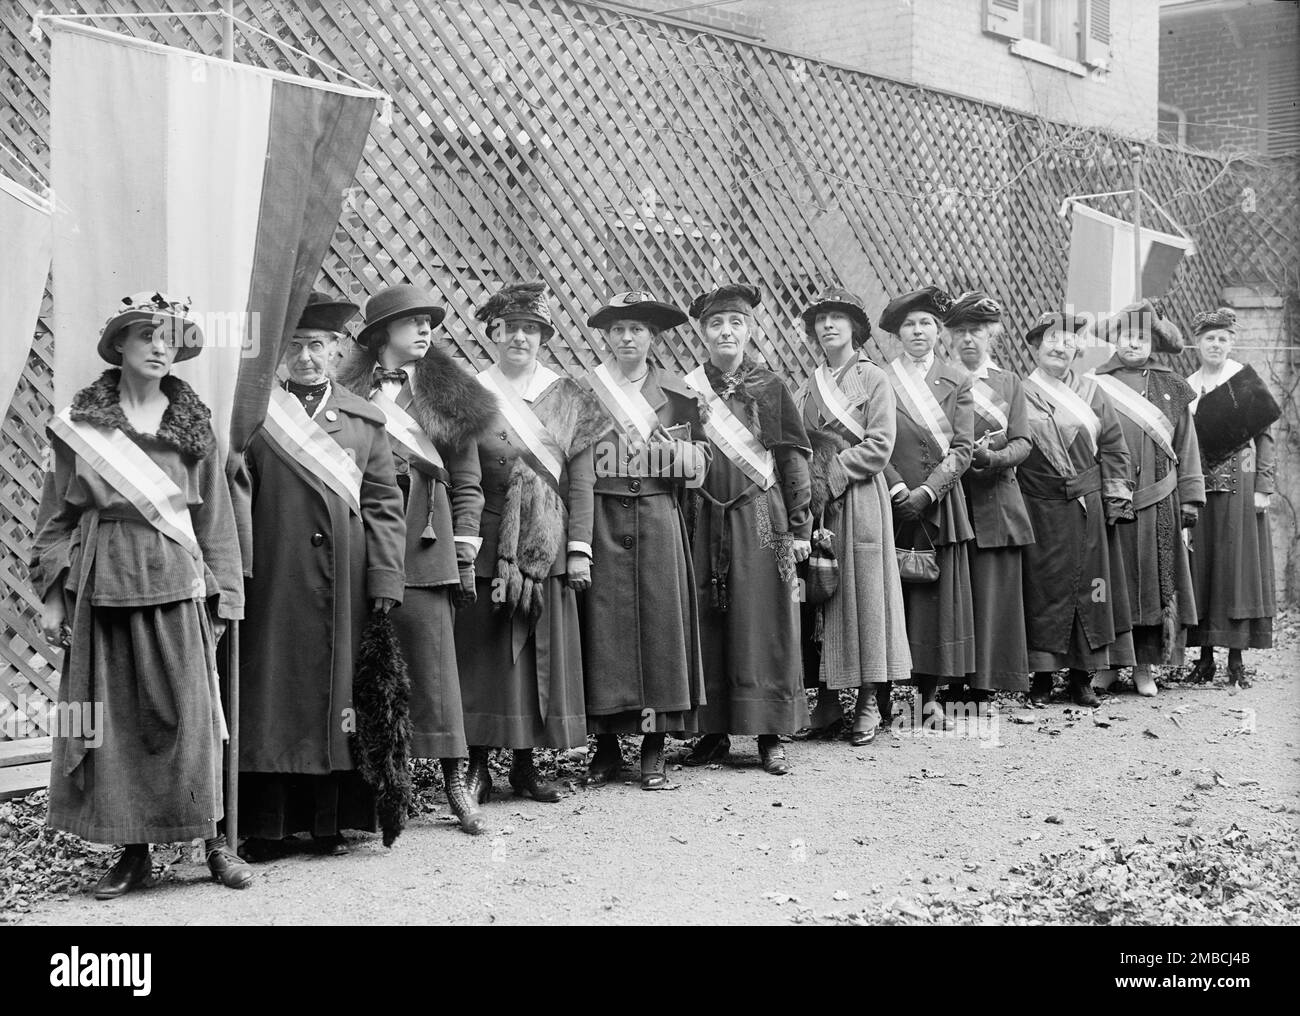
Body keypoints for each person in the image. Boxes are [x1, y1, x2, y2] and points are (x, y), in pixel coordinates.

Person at [31, 292, 250, 898]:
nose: (160, 347)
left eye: (171, 338)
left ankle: (212, 844)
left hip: (177, 586)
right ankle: (133, 854)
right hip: (104, 589)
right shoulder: (80, 429)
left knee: (194, 722)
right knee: (113, 727)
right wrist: (51, 598)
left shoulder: (193, 426)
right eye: (147, 335)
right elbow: (55, 519)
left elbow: (215, 523)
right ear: (119, 347)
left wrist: (223, 594)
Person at [238, 292, 406, 856]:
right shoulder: (256, 417)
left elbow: (385, 503)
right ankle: (268, 827)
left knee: (340, 699)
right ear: (278, 353)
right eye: (295, 346)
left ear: (335, 351)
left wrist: (385, 578)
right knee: (273, 695)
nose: (306, 357)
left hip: (347, 585)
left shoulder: (363, 420)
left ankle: (330, 821)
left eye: (316, 345)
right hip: (274, 582)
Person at [337, 283, 496, 833]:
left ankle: (454, 780)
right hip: (366, 543)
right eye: (413, 322)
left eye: (430, 321)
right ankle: (381, 789)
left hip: (429, 541)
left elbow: (470, 482)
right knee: (371, 667)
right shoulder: (344, 391)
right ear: (383, 334)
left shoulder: (450, 394)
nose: (426, 330)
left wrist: (466, 546)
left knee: (435, 666)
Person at [454, 281, 605, 803]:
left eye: (532, 329)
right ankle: (477, 765)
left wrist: (580, 549)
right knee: (485, 654)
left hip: (549, 540)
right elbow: (460, 475)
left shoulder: (568, 396)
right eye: (511, 327)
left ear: (544, 336)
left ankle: (525, 764)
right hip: (491, 533)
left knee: (538, 653)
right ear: (493, 331)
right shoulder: (471, 391)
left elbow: (581, 482)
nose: (521, 337)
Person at [679, 284, 812, 776]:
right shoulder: (688, 388)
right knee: (709, 615)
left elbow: (793, 458)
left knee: (766, 615)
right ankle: (712, 731)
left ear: (749, 330)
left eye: (735, 323)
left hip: (761, 513)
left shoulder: (770, 385)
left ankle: (769, 732)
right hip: (704, 512)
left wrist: (800, 526)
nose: (726, 332)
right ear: (704, 333)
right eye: (716, 324)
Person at [579, 291, 709, 789]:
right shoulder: (586, 391)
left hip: (658, 515)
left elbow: (702, 462)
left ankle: (654, 749)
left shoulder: (678, 393)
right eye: (618, 330)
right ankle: (607, 749)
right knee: (603, 631)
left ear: (652, 336)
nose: (627, 337)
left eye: (637, 329)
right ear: (606, 337)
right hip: (604, 515)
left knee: (660, 630)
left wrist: (679, 460)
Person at [793, 287, 910, 747]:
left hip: (858, 497)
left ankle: (866, 700)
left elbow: (881, 445)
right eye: (821, 319)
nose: (828, 326)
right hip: (817, 505)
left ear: (855, 328)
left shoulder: (874, 379)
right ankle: (824, 699)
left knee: (864, 597)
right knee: (818, 594)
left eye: (838, 318)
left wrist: (830, 473)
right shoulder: (807, 385)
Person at [1018, 312, 1135, 707]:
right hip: (1038, 505)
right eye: (1050, 339)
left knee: (1093, 590)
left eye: (1067, 340)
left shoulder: (1092, 393)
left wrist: (1117, 500)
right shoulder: (1020, 392)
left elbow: (1115, 448)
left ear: (1078, 350)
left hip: (1087, 507)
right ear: (1035, 347)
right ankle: (1042, 677)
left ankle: (1083, 676)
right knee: (1042, 590)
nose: (1059, 346)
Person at [1088, 301, 1205, 697]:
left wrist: (1190, 497)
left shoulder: (1171, 385)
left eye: (1141, 336)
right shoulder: (1093, 383)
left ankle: (1144, 667)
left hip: (1160, 503)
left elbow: (1187, 445)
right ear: (1115, 339)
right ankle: (1109, 665)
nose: (1133, 343)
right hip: (1110, 501)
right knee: (1108, 583)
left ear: (1153, 341)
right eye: (1126, 335)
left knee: (1156, 584)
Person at [879, 286, 976, 729]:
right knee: (888, 595)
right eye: (909, 324)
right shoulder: (880, 377)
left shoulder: (957, 380)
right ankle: (881, 695)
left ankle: (930, 697)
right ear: (898, 333)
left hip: (938, 504)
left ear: (939, 331)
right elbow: (871, 438)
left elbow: (962, 448)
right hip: (890, 499)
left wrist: (928, 493)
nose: (918, 331)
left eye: (926, 324)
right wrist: (899, 488)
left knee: (935, 599)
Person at [1185, 307, 1280, 687]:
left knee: (1237, 569)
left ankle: (1236, 659)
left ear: (1232, 343)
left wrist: (1263, 487)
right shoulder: (1187, 387)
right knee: (1204, 569)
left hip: (1242, 488)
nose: (1216, 344)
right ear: (1197, 343)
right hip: (1201, 490)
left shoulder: (1243, 381)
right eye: (1210, 338)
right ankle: (1205, 657)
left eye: (1223, 338)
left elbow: (1266, 439)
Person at [946, 291, 1033, 701]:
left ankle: (984, 685)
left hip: (997, 501)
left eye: (976, 331)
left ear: (992, 335)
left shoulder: (1008, 383)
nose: (968, 339)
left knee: (992, 594)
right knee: (954, 593)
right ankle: (951, 679)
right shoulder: (937, 382)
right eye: (960, 331)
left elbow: (1023, 443)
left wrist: (994, 457)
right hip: (951, 499)